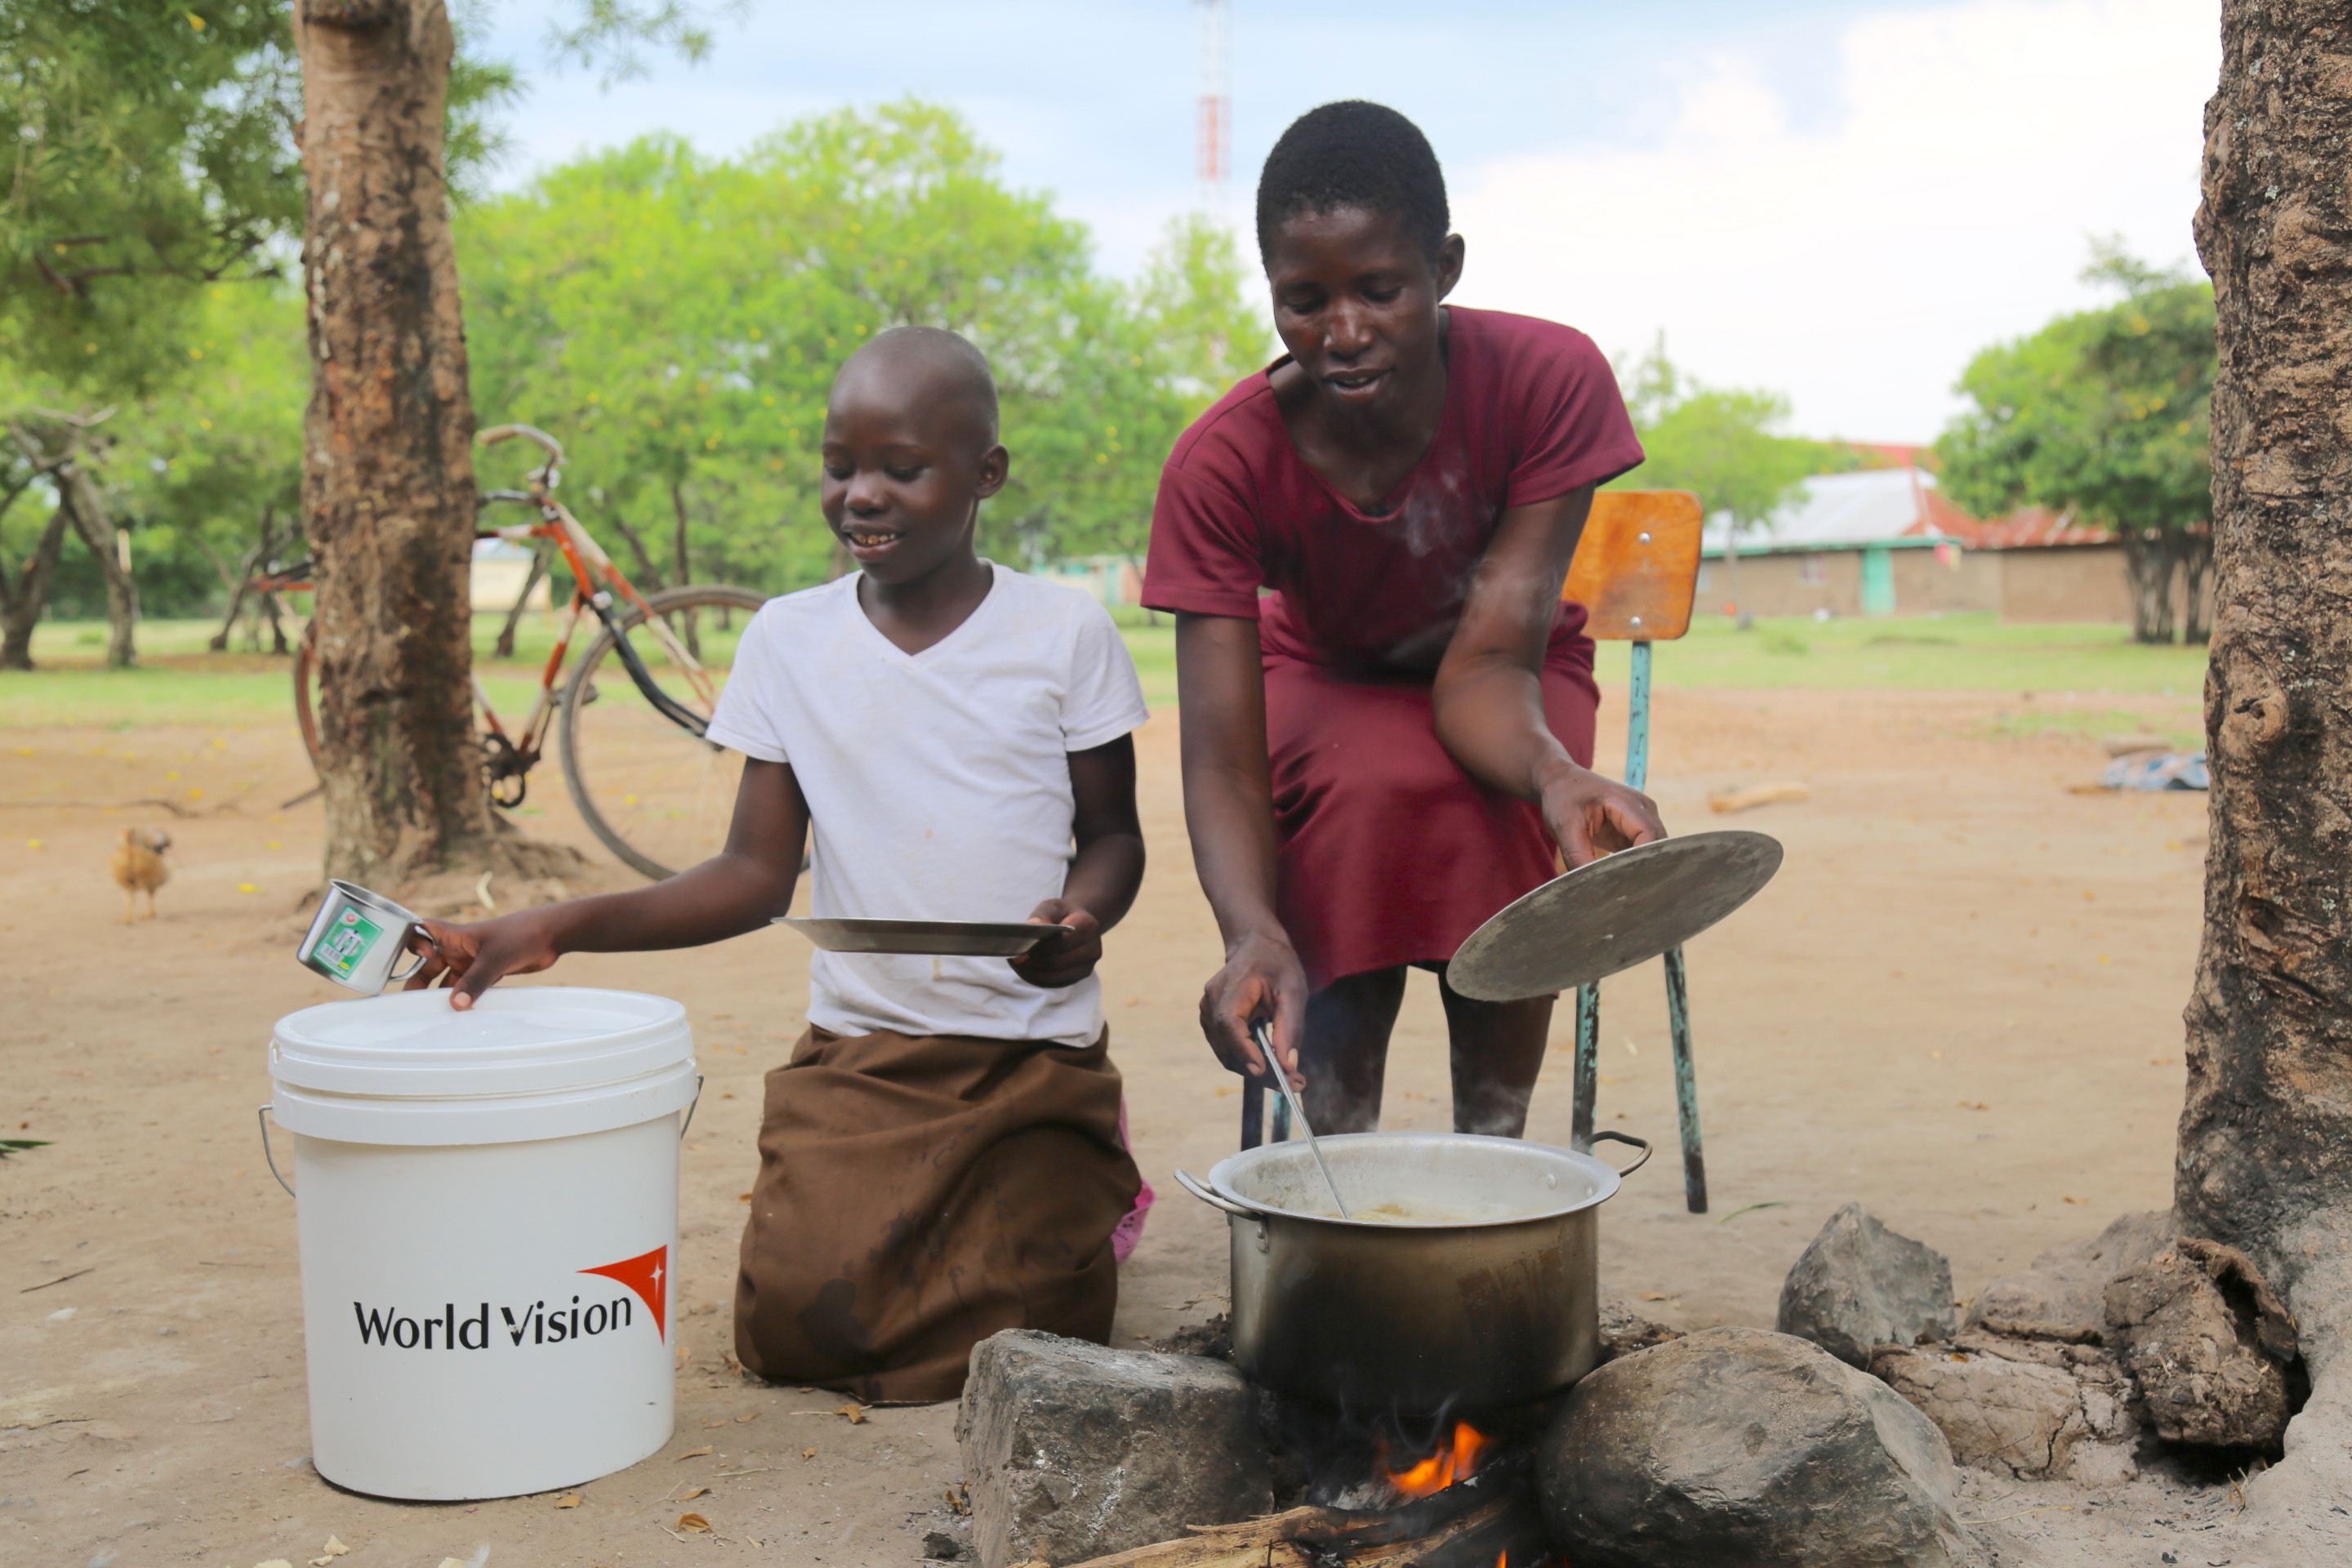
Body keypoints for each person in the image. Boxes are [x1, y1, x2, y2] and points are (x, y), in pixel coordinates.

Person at [403, 325, 1151, 1403]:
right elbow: (752, 877)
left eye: (905, 467)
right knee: (798, 1329)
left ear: (987, 474)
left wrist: (1082, 920)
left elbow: (1114, 836)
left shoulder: (1063, 631)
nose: (863, 494)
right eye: (841, 466)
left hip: (1031, 1056)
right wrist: (552, 926)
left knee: (1035, 1341)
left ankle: (1091, 1182)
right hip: (865, 1055)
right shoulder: (789, 642)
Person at [1143, 100, 1668, 1138]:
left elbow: (1488, 669)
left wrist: (1559, 776)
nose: (1343, 333)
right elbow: (1222, 761)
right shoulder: (1224, 463)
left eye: (1380, 290)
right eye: (1304, 300)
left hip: (1507, 672)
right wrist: (1249, 930)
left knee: (1504, 806)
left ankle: (1495, 1156)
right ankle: (1340, 1165)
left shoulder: (1545, 382)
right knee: (1360, 794)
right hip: (1328, 670)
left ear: (1447, 267)